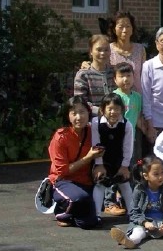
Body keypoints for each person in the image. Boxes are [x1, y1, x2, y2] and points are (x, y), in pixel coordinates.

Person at [47, 95, 103, 229]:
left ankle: (76, 213)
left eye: (82, 112)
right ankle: (62, 212)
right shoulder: (61, 137)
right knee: (79, 198)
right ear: (68, 116)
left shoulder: (93, 132)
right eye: (74, 113)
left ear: (88, 113)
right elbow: (63, 171)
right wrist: (88, 157)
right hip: (63, 181)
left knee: (89, 223)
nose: (79, 117)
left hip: (86, 182)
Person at [91, 93, 134, 217]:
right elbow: (96, 144)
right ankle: (97, 215)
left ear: (122, 109)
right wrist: (99, 165)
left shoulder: (127, 125)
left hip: (119, 160)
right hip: (102, 160)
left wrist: (124, 166)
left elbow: (128, 147)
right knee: (100, 185)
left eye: (117, 109)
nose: (113, 112)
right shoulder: (96, 123)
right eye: (110, 109)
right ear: (102, 109)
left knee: (125, 184)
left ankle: (133, 214)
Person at [114, 62, 148, 169]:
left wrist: (146, 131)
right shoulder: (114, 96)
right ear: (115, 80)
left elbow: (137, 118)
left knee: (133, 164)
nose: (125, 79)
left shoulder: (137, 97)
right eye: (121, 76)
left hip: (132, 138)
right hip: (117, 138)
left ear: (134, 78)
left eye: (129, 76)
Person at [73, 34, 115, 117]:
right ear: (91, 51)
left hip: (115, 119)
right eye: (99, 50)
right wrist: (102, 112)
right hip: (93, 120)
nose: (103, 53)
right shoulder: (83, 75)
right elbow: (81, 101)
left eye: (106, 49)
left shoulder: (114, 72)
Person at [108, 11, 147, 95]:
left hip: (137, 97)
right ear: (114, 29)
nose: (125, 30)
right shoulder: (108, 50)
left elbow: (145, 76)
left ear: (132, 29)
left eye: (128, 26)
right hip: (115, 98)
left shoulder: (140, 50)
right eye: (121, 27)